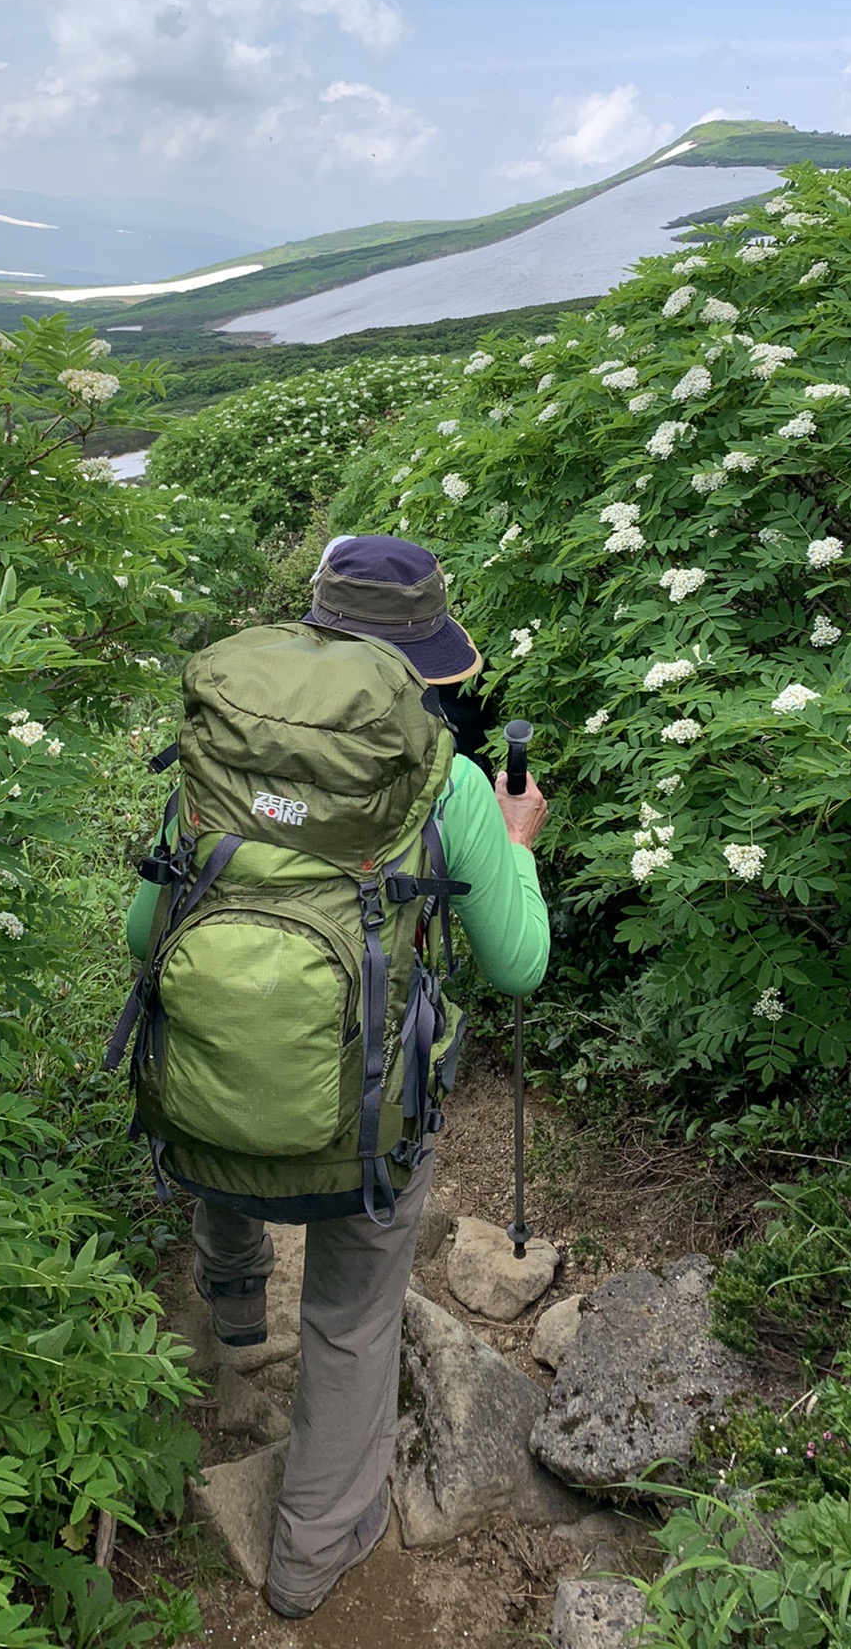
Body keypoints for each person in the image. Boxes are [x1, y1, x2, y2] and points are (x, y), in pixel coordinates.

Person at [124, 533, 550, 1617]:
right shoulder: (443, 780)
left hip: (205, 1109)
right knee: (352, 1319)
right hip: (362, 1124)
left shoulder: (218, 756)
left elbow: (145, 936)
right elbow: (519, 965)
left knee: (226, 1081)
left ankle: (230, 1324)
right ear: (423, 657)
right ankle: (313, 1554)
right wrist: (517, 843)